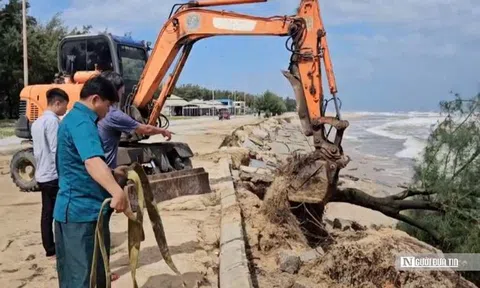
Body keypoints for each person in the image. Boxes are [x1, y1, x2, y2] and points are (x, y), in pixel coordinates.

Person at [53, 75, 127, 288]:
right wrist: (117, 192)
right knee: (83, 278)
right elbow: (92, 162)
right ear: (96, 99)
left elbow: (79, 163)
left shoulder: (76, 119)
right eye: (108, 104)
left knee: (89, 274)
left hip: (82, 212)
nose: (109, 110)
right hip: (81, 214)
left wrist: (111, 173)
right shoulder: (82, 122)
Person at [97, 71, 172, 169]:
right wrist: (162, 130)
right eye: (121, 91)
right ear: (115, 91)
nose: (123, 93)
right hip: (104, 170)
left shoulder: (91, 111)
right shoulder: (114, 115)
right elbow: (145, 129)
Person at [31, 88, 69, 258]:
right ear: (57, 103)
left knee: (46, 212)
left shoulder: (37, 122)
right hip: (53, 174)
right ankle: (61, 245)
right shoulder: (53, 122)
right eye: (65, 107)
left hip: (42, 173)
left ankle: (49, 247)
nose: (65, 110)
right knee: (60, 212)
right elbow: (56, 150)